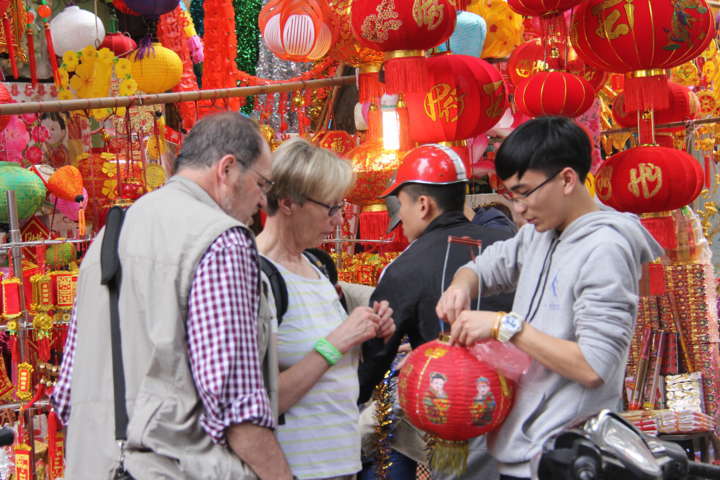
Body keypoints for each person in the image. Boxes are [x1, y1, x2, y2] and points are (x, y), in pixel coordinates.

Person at [51, 112, 293, 479]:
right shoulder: (220, 239)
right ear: (226, 170)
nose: (263, 200)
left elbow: (68, 394)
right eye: (262, 183)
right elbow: (236, 407)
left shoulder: (109, 238)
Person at [436, 116, 664, 480]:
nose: (519, 208)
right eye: (512, 195)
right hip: (525, 451)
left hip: (564, 456)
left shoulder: (605, 248)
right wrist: (460, 285)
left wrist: (503, 326)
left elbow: (593, 367)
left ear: (568, 179)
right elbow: (486, 267)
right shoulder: (541, 235)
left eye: (525, 192)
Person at [358, 143, 515, 480]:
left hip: (455, 419)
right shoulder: (508, 247)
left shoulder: (404, 268)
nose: (401, 220)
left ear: (424, 205)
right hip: (522, 410)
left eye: (401, 206)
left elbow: (374, 357)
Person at [256, 137, 395, 480]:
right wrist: (339, 341)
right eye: (330, 208)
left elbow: (334, 366)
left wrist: (369, 336)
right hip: (294, 469)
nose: (337, 219)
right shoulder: (255, 275)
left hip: (339, 464)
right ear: (289, 203)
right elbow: (260, 401)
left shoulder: (316, 268)